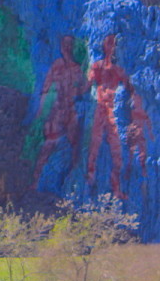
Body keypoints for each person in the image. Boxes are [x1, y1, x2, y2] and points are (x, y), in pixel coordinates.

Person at [86, 34, 151, 199]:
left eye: (114, 44)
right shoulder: (97, 66)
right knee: (94, 147)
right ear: (104, 46)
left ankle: (116, 189)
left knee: (117, 152)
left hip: (114, 113)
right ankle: (89, 181)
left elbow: (131, 89)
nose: (112, 47)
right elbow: (86, 86)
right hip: (99, 111)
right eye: (109, 44)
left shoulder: (119, 71)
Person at [34, 35, 89, 182]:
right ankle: (35, 181)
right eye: (64, 45)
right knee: (48, 146)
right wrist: (40, 112)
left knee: (74, 144)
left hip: (71, 111)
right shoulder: (56, 66)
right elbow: (45, 89)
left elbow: (84, 89)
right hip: (57, 112)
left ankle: (73, 178)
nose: (67, 48)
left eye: (69, 45)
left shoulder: (77, 69)